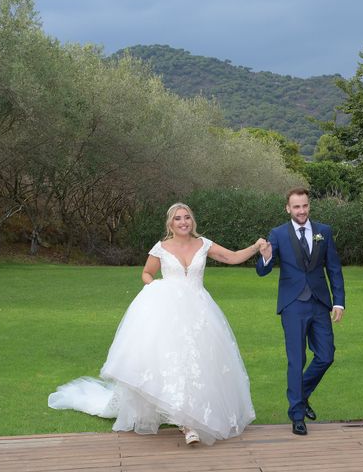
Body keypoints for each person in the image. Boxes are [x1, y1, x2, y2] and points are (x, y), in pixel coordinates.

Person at [49, 202, 262, 446]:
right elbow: (146, 274)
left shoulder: (204, 244)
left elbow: (232, 257)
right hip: (168, 313)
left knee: (200, 362)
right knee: (175, 362)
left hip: (200, 312)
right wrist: (157, 288)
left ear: (192, 221)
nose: (183, 222)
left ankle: (195, 414)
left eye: (187, 218)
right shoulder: (161, 248)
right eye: (178, 219)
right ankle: (187, 424)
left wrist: (256, 246)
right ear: (170, 224)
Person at [256, 186, 345, 436]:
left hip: (319, 302)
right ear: (288, 208)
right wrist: (265, 257)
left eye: (305, 206)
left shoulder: (323, 232)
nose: (301, 211)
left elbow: (334, 269)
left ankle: (300, 394)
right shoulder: (278, 234)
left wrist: (338, 301)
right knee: (297, 359)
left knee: (326, 355)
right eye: (296, 207)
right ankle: (297, 414)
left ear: (309, 206)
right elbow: (263, 270)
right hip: (293, 304)